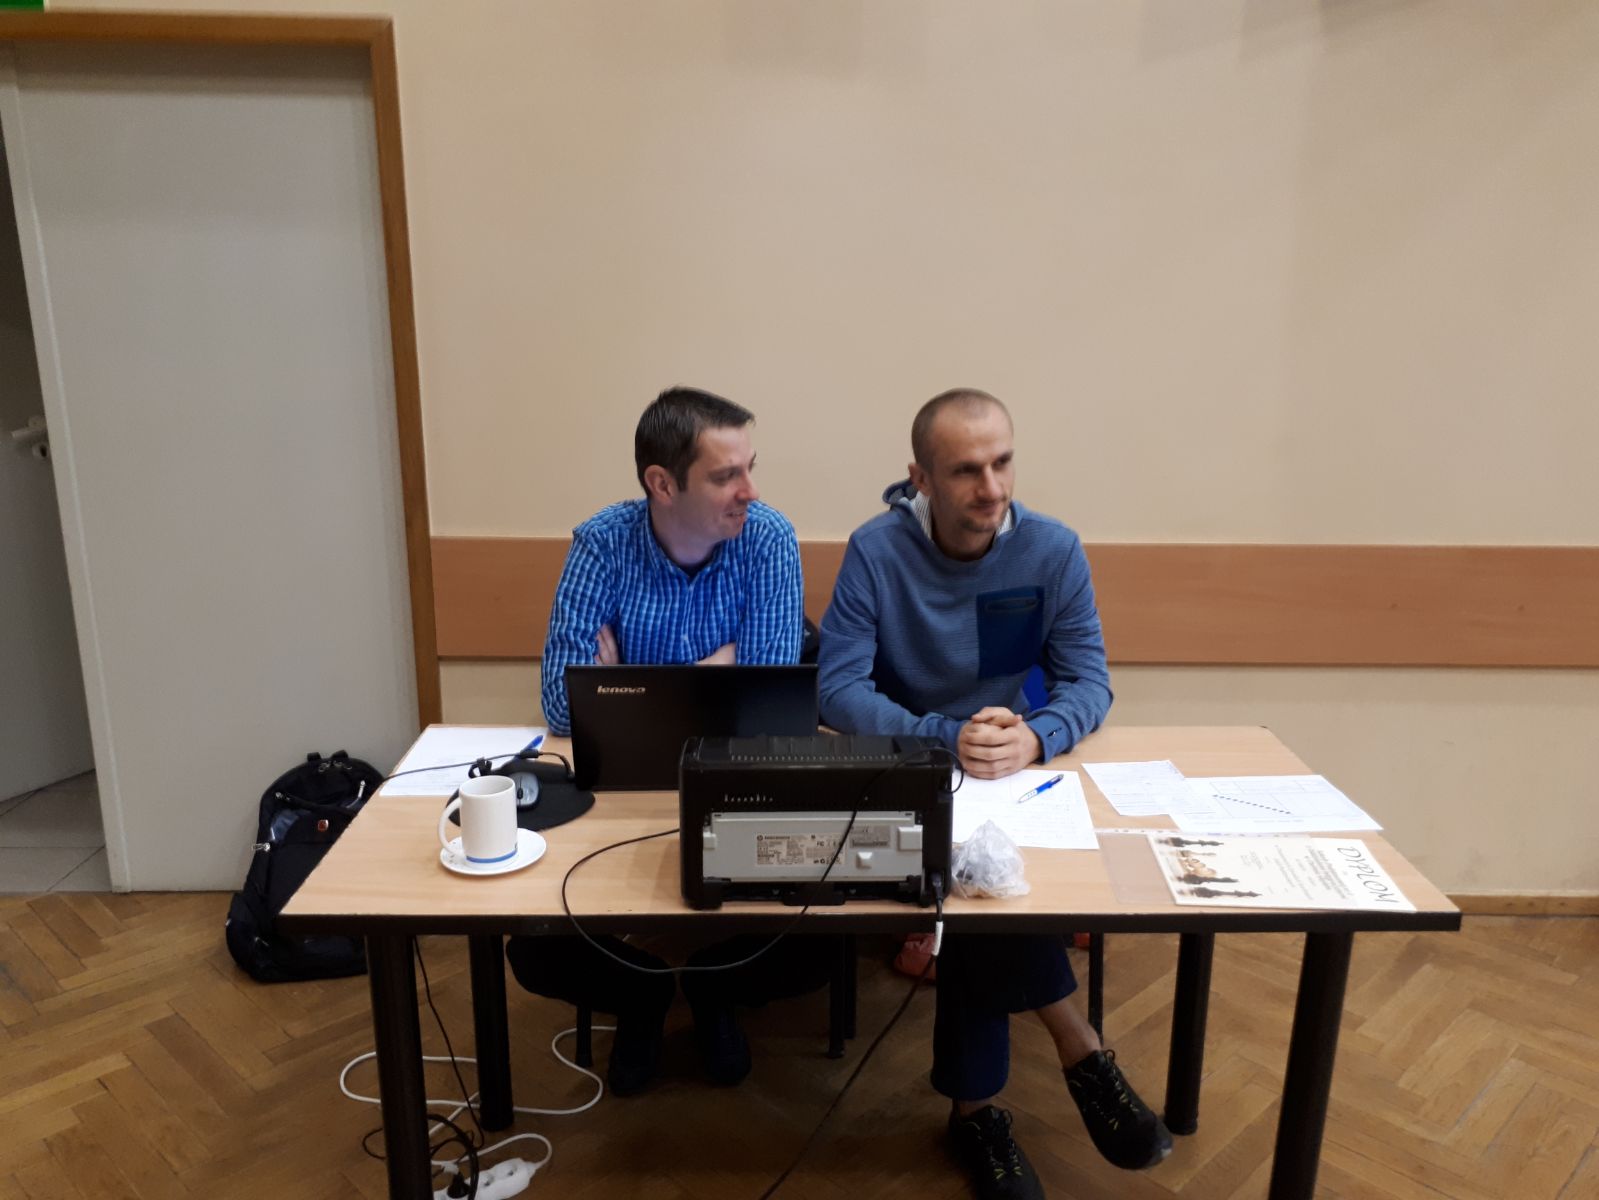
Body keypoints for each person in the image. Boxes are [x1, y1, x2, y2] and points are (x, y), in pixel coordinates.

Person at [817, 388, 1171, 1199]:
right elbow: (836, 689)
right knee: (975, 884)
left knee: (981, 886)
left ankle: (977, 1114)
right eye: (965, 471)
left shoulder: (1052, 549)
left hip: (1013, 774)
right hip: (910, 766)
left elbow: (1089, 681)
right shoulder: (875, 550)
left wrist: (1037, 735)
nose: (992, 488)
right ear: (919, 478)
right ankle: (1079, 1048)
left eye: (1002, 462)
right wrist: (945, 736)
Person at [508, 387, 828, 1095]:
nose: (749, 491)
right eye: (725, 476)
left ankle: (718, 988)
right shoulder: (603, 542)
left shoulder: (768, 538)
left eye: (749, 468)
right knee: (532, 946)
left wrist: (626, 683)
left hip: (737, 778)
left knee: (822, 942)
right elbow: (561, 702)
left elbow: (767, 695)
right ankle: (642, 993)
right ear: (661, 483)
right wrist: (720, 666)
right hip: (621, 788)